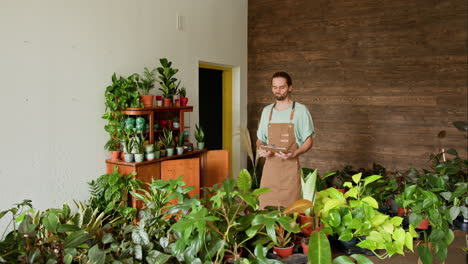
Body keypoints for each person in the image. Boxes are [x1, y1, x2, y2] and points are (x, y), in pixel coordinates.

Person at [256, 71, 316, 208]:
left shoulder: (301, 111)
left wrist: (294, 153)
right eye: (274, 87)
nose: (278, 91)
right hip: (269, 171)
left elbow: (309, 141)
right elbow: (259, 140)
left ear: (290, 87)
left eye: (282, 87)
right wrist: (261, 149)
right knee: (266, 209)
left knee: (291, 211)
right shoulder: (267, 111)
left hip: (290, 170)